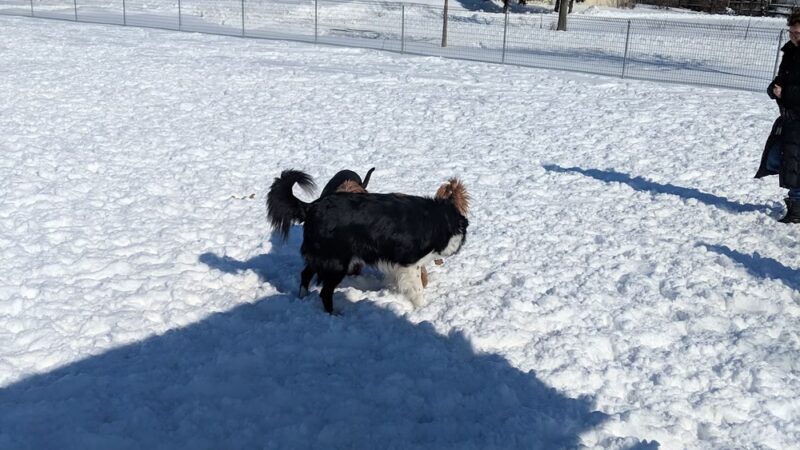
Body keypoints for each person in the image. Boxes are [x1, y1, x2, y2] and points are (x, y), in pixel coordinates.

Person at [756, 10, 800, 223]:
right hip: (789, 115)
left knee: (794, 161)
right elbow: (782, 77)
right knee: (779, 157)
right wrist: (774, 87)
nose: (794, 36)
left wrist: (788, 92)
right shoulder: (790, 50)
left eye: (798, 32)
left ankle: (797, 207)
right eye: (791, 32)